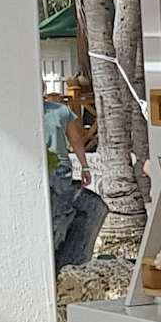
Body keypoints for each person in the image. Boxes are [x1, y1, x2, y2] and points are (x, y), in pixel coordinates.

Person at [44, 87, 105, 268]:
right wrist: (84, 166)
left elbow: (75, 140)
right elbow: (76, 140)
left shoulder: (26, 113)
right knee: (60, 212)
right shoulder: (61, 111)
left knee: (52, 213)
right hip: (58, 167)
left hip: (45, 167)